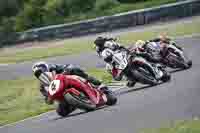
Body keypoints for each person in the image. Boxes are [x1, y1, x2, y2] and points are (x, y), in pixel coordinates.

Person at [32, 61, 110, 103]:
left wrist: (66, 71)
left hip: (69, 80)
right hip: (63, 96)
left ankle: (98, 84)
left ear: (46, 67)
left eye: (41, 69)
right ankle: (77, 103)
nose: (41, 72)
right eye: (37, 73)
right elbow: (48, 100)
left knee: (75, 70)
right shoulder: (42, 87)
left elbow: (68, 66)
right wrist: (49, 99)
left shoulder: (54, 68)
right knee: (61, 112)